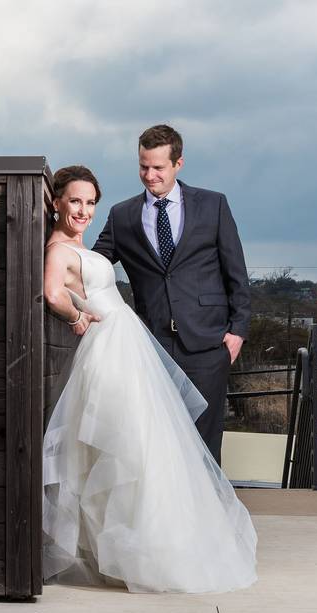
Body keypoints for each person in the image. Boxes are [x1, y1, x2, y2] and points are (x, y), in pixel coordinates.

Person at [42, 165, 256, 593]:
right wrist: (78, 315)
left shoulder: (79, 243)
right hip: (109, 348)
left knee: (147, 446)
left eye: (89, 202)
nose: (83, 210)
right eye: (75, 201)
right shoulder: (59, 250)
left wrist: (237, 326)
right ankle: (137, 551)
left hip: (128, 345)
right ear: (56, 202)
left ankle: (152, 545)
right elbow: (52, 294)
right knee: (130, 446)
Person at [93, 124, 251, 465]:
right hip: (152, 345)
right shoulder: (122, 216)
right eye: (143, 166)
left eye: (158, 168)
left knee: (205, 443)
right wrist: (62, 246)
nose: (149, 176)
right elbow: (95, 264)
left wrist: (238, 331)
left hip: (209, 343)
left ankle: (208, 516)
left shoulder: (213, 205)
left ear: (178, 164)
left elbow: (236, 273)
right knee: (155, 439)